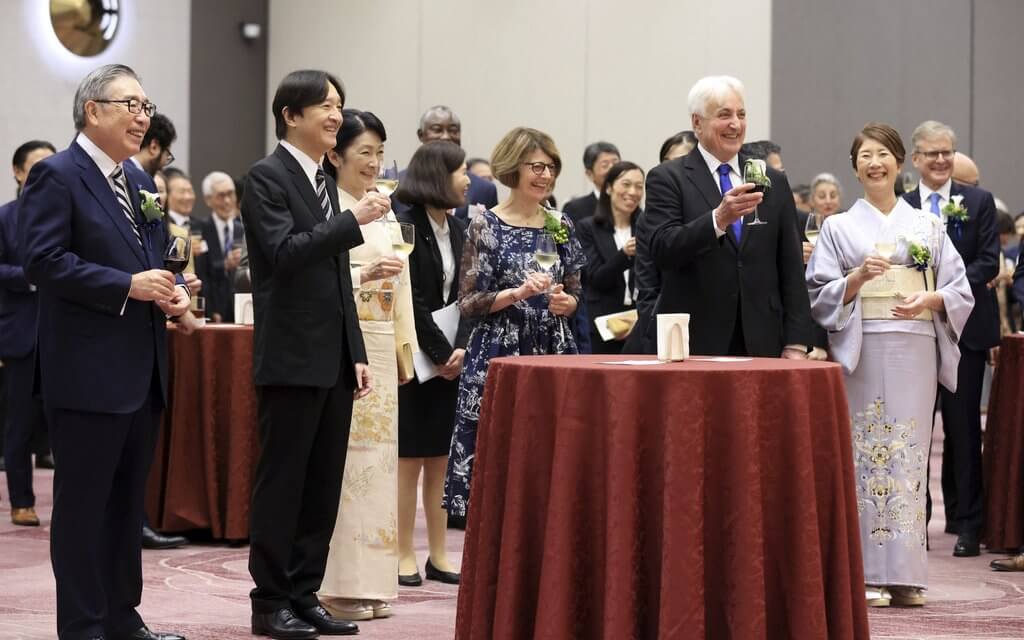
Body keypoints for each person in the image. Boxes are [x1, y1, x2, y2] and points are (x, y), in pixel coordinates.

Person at [19, 63, 191, 640]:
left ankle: (123, 618)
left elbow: (151, 258)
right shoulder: (57, 175)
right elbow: (43, 260)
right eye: (131, 105)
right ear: (94, 111)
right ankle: (84, 626)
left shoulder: (140, 182)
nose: (144, 117)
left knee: (125, 510)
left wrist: (172, 290)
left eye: (147, 106)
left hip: (142, 371)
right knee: (83, 509)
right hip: (87, 375)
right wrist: (126, 286)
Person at [242, 69, 387, 639]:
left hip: (331, 358)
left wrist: (355, 350)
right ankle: (269, 600)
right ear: (290, 115)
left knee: (323, 481)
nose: (336, 114)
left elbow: (336, 276)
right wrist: (355, 221)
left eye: (339, 104)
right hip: (289, 355)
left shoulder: (323, 180)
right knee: (283, 482)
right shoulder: (266, 178)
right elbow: (283, 254)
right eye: (324, 105)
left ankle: (305, 593)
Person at [806, 122, 972, 607]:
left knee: (908, 455)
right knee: (864, 455)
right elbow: (820, 295)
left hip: (914, 343)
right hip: (863, 344)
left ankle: (906, 574)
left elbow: (959, 289)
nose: (874, 163)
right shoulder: (838, 226)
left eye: (883, 154)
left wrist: (932, 297)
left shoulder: (928, 225)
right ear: (854, 166)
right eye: (864, 156)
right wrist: (855, 278)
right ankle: (867, 574)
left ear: (900, 162)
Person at [443, 127, 584, 520]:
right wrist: (517, 294)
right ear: (512, 168)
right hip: (499, 353)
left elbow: (576, 292)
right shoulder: (486, 224)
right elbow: (468, 302)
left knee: (552, 454)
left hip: (553, 349)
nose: (545, 175)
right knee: (502, 454)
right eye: (536, 166)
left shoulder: (560, 224)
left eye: (551, 167)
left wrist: (566, 303)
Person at [318, 109, 417, 622]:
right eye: (364, 154)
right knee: (347, 463)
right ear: (335, 156)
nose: (374, 163)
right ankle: (335, 584)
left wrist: (405, 350)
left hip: (380, 346)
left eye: (380, 153)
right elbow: (321, 277)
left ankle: (374, 583)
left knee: (379, 465)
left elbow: (400, 285)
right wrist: (362, 275)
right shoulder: (330, 209)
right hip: (345, 342)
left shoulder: (385, 210)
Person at [639, 75, 812, 357]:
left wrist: (797, 341)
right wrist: (717, 220)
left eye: (741, 114)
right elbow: (662, 249)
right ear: (697, 123)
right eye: (724, 115)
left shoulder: (772, 180)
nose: (736, 124)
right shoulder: (668, 178)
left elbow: (791, 266)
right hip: (695, 337)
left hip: (763, 336)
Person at [901, 121, 999, 558]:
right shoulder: (902, 206)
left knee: (963, 432)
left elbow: (988, 262)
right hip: (915, 332)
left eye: (947, 152)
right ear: (916, 159)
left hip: (966, 331)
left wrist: (946, 293)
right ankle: (913, 523)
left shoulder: (977, 203)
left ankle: (967, 524)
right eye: (932, 153)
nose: (941, 160)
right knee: (916, 430)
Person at [394, 140, 471, 587]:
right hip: (415, 357)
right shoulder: (406, 225)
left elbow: (468, 296)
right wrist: (441, 353)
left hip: (451, 358)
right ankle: (404, 552)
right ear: (438, 176)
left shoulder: (459, 228)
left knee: (441, 458)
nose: (466, 179)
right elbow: (412, 298)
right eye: (460, 170)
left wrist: (459, 350)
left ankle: (439, 553)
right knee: (409, 459)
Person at [1, 140, 55, 527]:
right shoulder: (5, 218)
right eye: (36, 166)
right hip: (19, 332)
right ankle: (21, 500)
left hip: (64, 334)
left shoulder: (64, 214)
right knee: (18, 423)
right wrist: (33, 278)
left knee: (63, 420)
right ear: (18, 173)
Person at [577, 161, 644, 354]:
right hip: (600, 325)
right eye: (626, 184)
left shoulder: (646, 227)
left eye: (639, 187)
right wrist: (624, 254)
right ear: (608, 188)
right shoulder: (588, 228)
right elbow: (595, 278)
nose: (633, 192)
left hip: (638, 326)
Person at [393, 106, 498, 221]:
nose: (446, 136)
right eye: (437, 130)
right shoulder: (397, 184)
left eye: (453, 131)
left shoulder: (484, 189)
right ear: (421, 135)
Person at [799, 173, 844, 360]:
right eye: (821, 195)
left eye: (833, 195)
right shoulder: (801, 227)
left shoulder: (847, 227)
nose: (828, 201)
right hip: (811, 308)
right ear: (811, 201)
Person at [196, 171, 242, 322]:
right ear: (208, 200)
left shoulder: (245, 230)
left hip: (242, 309)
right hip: (214, 310)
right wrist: (210, 309)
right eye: (221, 196)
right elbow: (200, 275)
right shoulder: (199, 230)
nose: (227, 201)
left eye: (231, 194)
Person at [561, 141, 620, 224]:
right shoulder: (575, 209)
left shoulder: (630, 205)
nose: (612, 168)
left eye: (616, 163)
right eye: (605, 165)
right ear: (590, 174)